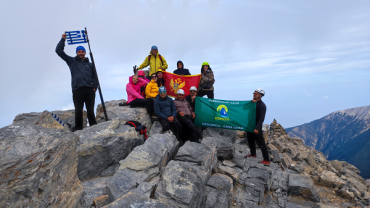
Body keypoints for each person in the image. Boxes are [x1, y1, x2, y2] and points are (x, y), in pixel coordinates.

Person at [55, 33, 98, 131]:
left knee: (90, 110)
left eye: (82, 51)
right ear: (76, 52)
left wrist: (94, 87)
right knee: (78, 110)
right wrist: (63, 40)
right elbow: (58, 51)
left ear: (85, 53)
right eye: (79, 51)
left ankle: (94, 127)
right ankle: (78, 129)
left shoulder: (90, 65)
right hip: (77, 89)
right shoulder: (72, 61)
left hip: (89, 90)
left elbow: (95, 77)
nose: (81, 53)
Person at [245, 88, 269, 166]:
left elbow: (262, 118)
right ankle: (253, 154)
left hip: (256, 126)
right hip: (249, 125)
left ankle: (266, 160)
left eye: (256, 93)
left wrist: (257, 128)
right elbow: (244, 109)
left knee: (261, 142)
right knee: (250, 140)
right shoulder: (252, 103)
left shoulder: (262, 105)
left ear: (260, 95)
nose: (254, 94)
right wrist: (250, 103)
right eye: (254, 93)